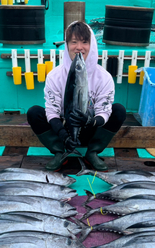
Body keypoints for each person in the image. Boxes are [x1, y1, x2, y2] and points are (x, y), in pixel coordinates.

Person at [27, 21, 126, 171]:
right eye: (74, 42)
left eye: (84, 42)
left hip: (91, 127)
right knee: (34, 112)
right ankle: (60, 151)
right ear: (66, 45)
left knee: (118, 110)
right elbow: (52, 111)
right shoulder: (55, 76)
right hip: (64, 129)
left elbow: (104, 111)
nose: (79, 47)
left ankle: (92, 152)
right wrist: (63, 134)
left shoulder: (103, 77)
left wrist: (91, 121)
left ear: (91, 45)